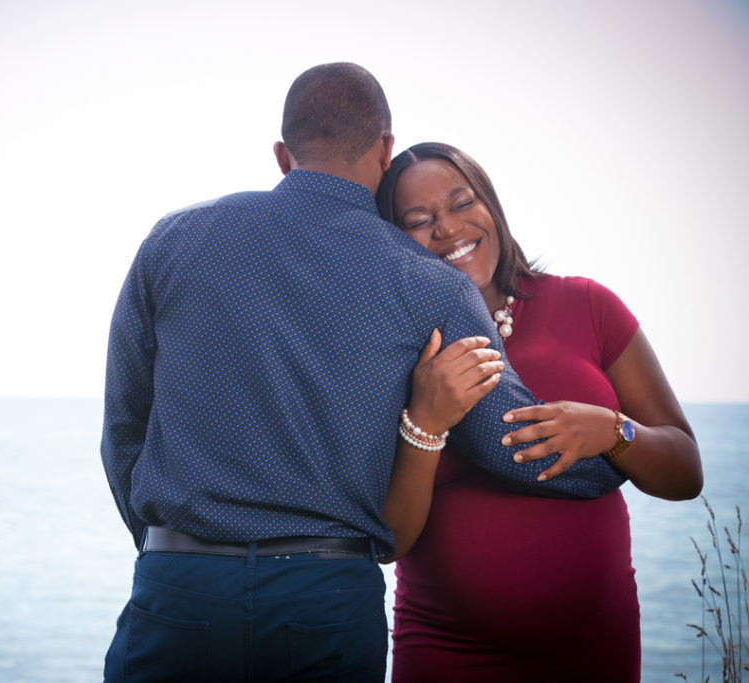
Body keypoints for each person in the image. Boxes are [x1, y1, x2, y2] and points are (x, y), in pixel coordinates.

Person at [100, 64, 621, 682]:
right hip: (325, 598)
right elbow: (514, 448)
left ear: (282, 155)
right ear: (384, 149)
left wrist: (168, 552)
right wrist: (619, 452)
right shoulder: (434, 286)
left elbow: (124, 426)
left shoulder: (174, 240)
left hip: (179, 586)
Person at [376, 142, 703, 682]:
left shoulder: (588, 305)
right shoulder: (396, 351)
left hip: (591, 647)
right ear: (393, 241)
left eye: (462, 203)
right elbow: (392, 540)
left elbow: (685, 473)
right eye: (418, 220)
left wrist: (611, 431)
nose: (448, 228)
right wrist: (427, 424)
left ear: (492, 205)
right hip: (445, 649)